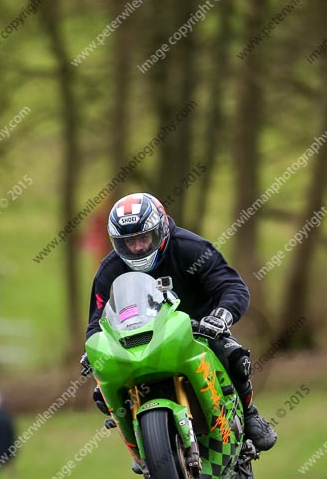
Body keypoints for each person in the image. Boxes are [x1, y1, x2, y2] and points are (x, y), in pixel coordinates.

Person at [82, 192, 277, 454]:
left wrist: (220, 316)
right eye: (128, 242)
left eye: (143, 238)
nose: (137, 248)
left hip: (198, 333)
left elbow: (233, 287)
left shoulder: (190, 248)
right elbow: (96, 321)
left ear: (160, 230)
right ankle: (141, 442)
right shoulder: (110, 269)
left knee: (233, 355)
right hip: (137, 341)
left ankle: (250, 414)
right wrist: (93, 348)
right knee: (102, 388)